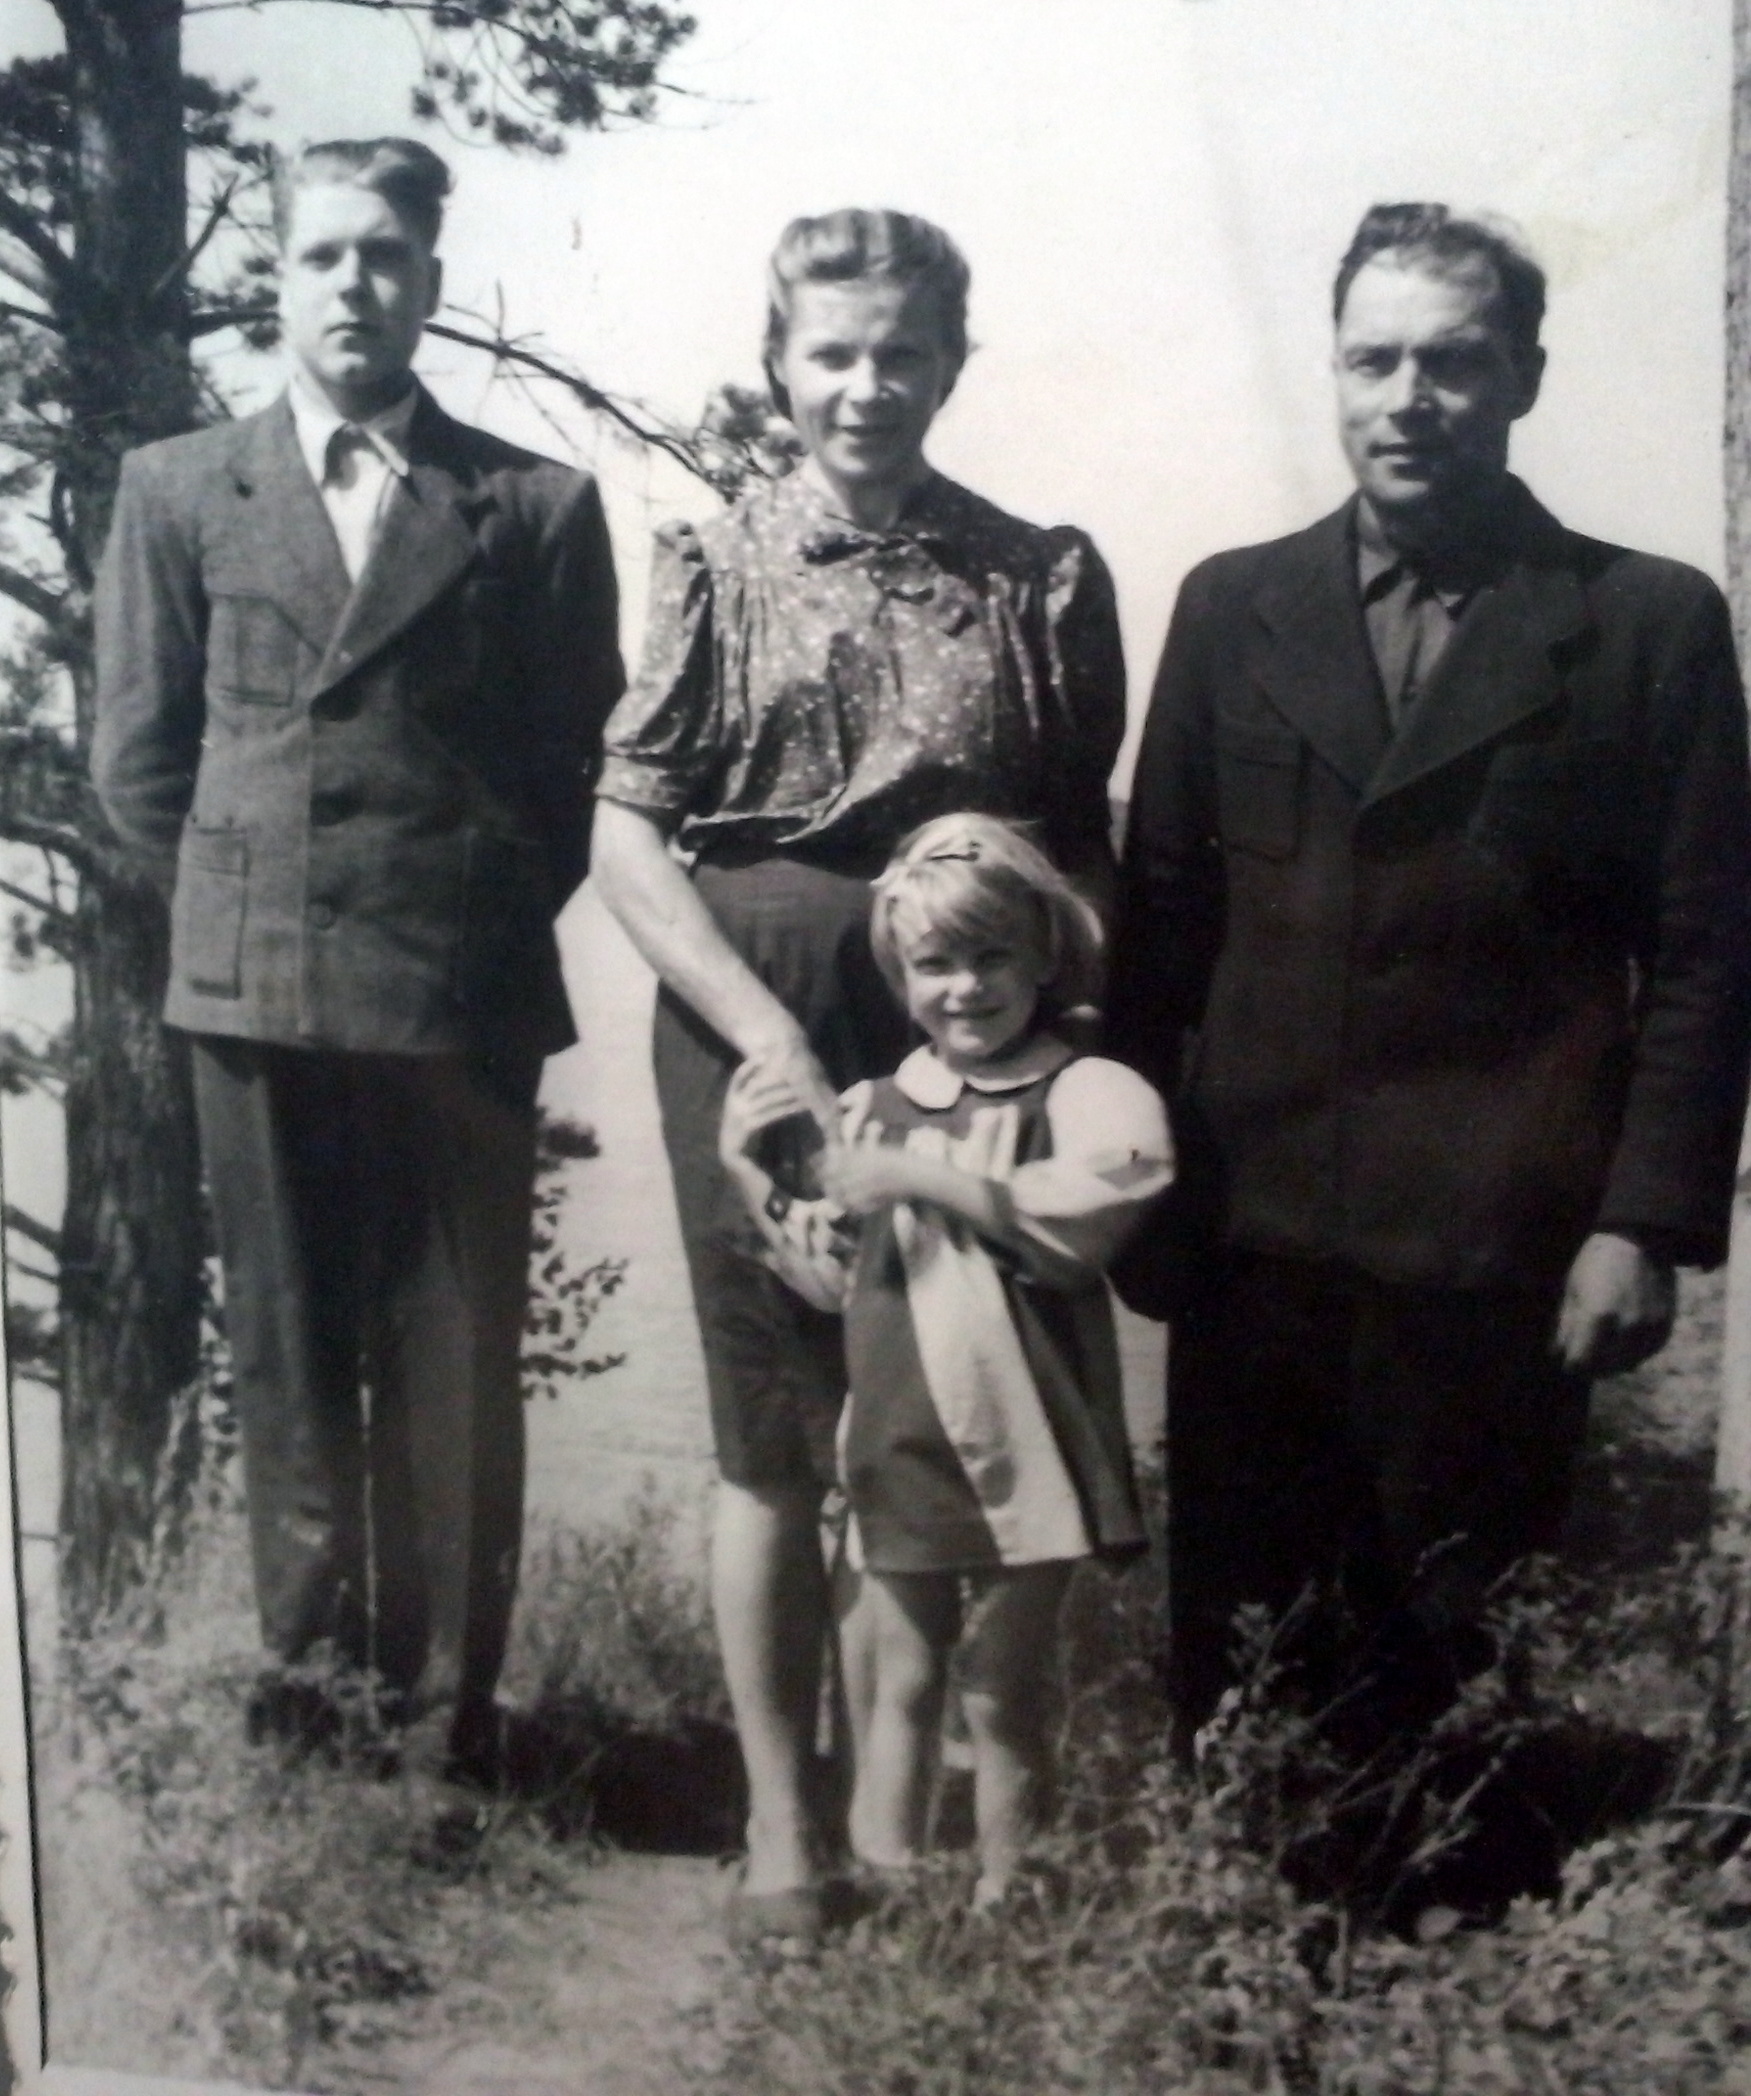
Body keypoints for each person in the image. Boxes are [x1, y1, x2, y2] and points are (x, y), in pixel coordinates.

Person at [1109, 201, 1751, 1744]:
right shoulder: (1229, 605)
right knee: (1238, 1668)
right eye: (1371, 360)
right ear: (1332, 373)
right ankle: (1233, 1900)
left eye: (1451, 362)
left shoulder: (1642, 624)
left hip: (1494, 1252)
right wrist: (1130, 1189)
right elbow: (1159, 929)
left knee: (1448, 1681)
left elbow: (1703, 951)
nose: (1407, 398)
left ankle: (1442, 1896)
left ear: (1522, 375)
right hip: (1251, 1240)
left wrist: (1640, 1225)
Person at [591, 208, 1126, 1935]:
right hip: (761, 1000)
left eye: (901, 352)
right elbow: (624, 834)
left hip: (967, 1014)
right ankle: (785, 1832)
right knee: (773, 1436)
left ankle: (951, 1826)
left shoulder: (1037, 575)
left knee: (951, 1408)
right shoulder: (713, 558)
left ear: (951, 362)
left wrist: (1052, 1044)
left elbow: (1080, 844)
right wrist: (762, 1039)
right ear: (777, 364)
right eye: (830, 352)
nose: (865, 386)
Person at [91, 137, 623, 1768]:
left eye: (385, 256)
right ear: (278, 277)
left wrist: (457, 908)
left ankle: (447, 1728)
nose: (354, 286)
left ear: (430, 283)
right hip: (259, 994)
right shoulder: (179, 487)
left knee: (455, 1373)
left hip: (457, 1001)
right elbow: (138, 767)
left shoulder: (534, 506)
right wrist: (257, 905)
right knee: (291, 1360)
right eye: (323, 255)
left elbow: (571, 774)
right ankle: (313, 1713)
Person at [721, 816, 1171, 1910]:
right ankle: (893, 1896)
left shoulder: (1084, 1091)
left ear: (1042, 956)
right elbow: (829, 1282)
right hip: (900, 1439)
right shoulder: (871, 1107)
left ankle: (1011, 1900)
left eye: (991, 957)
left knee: (1001, 1689)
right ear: (898, 973)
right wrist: (746, 1170)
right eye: (934, 964)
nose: (964, 988)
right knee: (899, 1679)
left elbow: (1111, 1195)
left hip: (1028, 1446)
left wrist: (924, 1180)